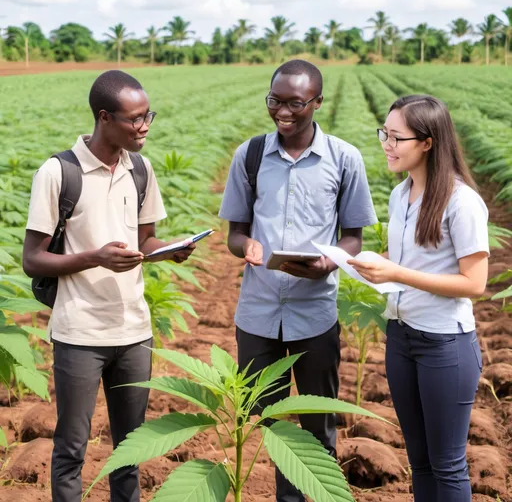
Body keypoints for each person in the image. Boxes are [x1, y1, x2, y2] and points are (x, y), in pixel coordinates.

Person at [22, 70, 196, 502]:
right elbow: (32, 260)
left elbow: (145, 239)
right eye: (135, 119)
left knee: (130, 450)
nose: (144, 128)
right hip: (80, 332)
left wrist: (169, 249)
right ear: (104, 117)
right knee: (72, 448)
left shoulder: (140, 168)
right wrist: (95, 257)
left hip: (134, 329)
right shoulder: (59, 172)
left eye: (148, 116)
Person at [219, 59, 377, 501]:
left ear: (317, 103)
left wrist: (329, 263)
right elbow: (235, 232)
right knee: (268, 424)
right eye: (275, 101)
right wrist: (245, 248)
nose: (282, 112)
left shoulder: (344, 159)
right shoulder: (250, 155)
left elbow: (352, 238)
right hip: (258, 313)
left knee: (317, 426)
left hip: (315, 315)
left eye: (295, 103)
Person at [348, 94, 488, 502]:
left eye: (396, 137)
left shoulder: (462, 202)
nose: (387, 145)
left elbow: (474, 283)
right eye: (384, 135)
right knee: (420, 461)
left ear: (427, 142)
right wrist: (371, 264)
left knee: (447, 465)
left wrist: (395, 272)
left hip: (445, 344)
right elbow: (412, 261)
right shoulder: (400, 195)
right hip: (402, 337)